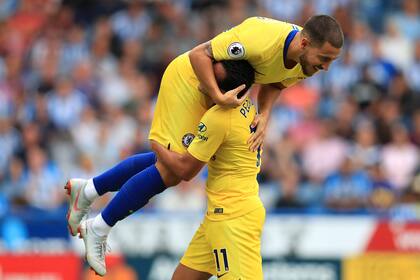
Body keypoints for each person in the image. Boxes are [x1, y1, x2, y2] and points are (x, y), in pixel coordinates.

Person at [66, 15, 343, 275]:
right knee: (173, 170)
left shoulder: (306, 61)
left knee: (172, 165)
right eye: (325, 59)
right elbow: (199, 55)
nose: (327, 67)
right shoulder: (262, 37)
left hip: (222, 97)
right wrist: (216, 95)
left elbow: (275, 83)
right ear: (305, 43)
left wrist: (266, 114)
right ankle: (100, 226)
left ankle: (89, 190)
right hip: (191, 81)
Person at [151, 83, 264, 279]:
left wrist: (156, 143)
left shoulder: (220, 116)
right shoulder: (246, 104)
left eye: (210, 77)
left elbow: (185, 170)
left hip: (231, 218)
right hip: (225, 211)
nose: (201, 83)